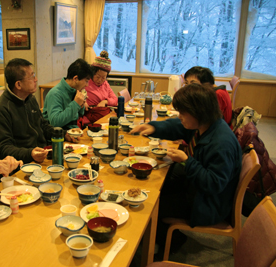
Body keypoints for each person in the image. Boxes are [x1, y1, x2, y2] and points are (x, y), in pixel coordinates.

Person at [130, 83, 242, 251]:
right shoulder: (207, 125)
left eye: (183, 112)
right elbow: (177, 125)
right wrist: (154, 127)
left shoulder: (221, 143)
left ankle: (173, 241)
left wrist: (187, 161)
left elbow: (214, 184)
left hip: (207, 203)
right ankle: (156, 236)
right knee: (153, 187)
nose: (180, 116)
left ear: (199, 112)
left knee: (149, 204)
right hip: (196, 190)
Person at [0, 58, 78, 164]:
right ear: (18, 85)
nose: (36, 79)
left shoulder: (30, 99)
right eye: (32, 77)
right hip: (24, 164)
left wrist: (63, 134)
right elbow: (4, 149)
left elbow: (43, 125)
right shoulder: (0, 109)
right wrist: (30, 153)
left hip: (43, 156)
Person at [43, 58, 93, 130]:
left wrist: (81, 106)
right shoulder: (55, 93)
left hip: (74, 131)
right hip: (59, 136)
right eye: (86, 81)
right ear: (75, 79)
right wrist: (76, 104)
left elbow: (80, 114)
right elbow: (55, 122)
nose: (87, 85)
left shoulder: (75, 90)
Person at [83, 50, 118, 124]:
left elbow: (115, 99)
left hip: (104, 116)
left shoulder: (105, 84)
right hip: (91, 118)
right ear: (93, 73)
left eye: (103, 77)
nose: (100, 80)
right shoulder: (86, 82)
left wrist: (105, 101)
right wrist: (83, 102)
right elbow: (78, 94)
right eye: (98, 76)